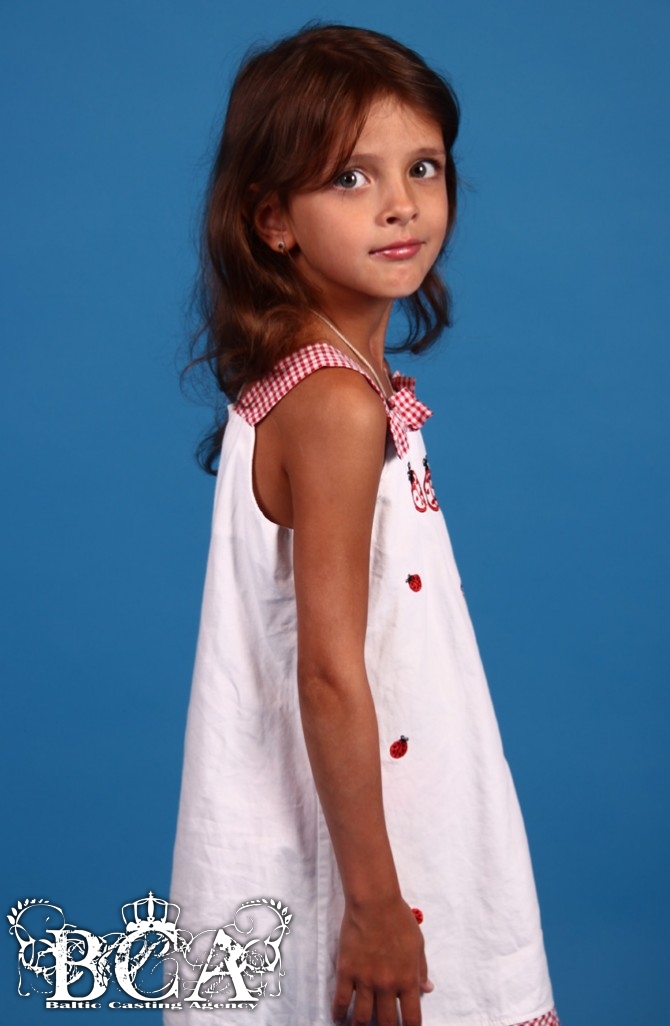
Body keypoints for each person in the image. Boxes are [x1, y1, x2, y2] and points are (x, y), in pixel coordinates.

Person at [166, 24, 558, 1026]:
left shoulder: (318, 377)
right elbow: (331, 674)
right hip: (358, 863)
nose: (401, 204)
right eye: (351, 177)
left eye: (423, 167)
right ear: (273, 220)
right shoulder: (335, 403)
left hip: (379, 817)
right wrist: (380, 909)